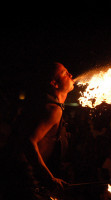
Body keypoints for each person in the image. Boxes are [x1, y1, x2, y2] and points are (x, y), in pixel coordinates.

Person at [2, 62, 74, 200]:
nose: (70, 75)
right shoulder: (53, 109)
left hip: (24, 177)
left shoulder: (50, 105)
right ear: (55, 83)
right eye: (65, 73)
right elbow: (29, 142)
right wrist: (49, 178)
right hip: (25, 179)